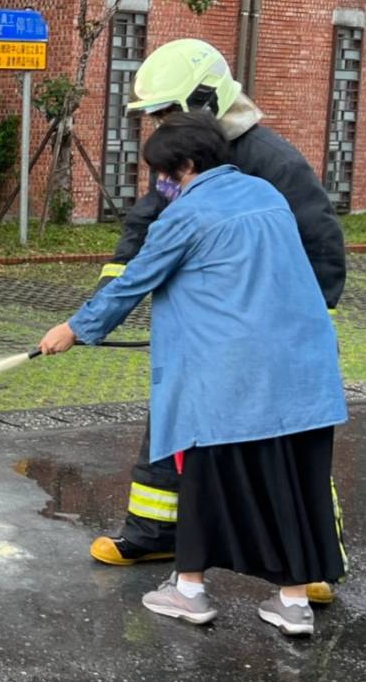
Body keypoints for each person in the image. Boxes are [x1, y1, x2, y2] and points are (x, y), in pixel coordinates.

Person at [40, 113, 346, 637]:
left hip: (231, 381)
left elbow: (133, 280)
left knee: (203, 481)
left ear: (185, 165)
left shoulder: (189, 213)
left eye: (162, 173)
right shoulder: (266, 195)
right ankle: (293, 604)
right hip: (302, 375)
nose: (160, 184)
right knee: (291, 484)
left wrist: (73, 329)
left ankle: (189, 592)